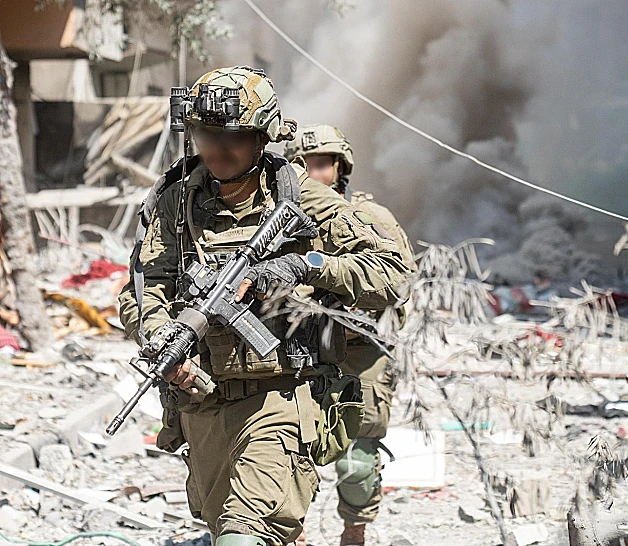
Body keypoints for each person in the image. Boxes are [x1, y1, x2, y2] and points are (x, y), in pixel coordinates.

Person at [118, 67, 409, 546]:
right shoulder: (178, 200)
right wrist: (161, 340)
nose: (216, 150)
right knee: (224, 527)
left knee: (245, 534)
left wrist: (303, 265)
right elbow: (145, 286)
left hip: (282, 397)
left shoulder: (301, 197)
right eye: (204, 136)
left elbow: (390, 271)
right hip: (205, 401)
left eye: (231, 138)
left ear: (261, 138)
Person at [284, 124, 415, 546]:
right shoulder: (280, 225)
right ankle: (294, 533)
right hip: (304, 351)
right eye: (302, 166)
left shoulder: (370, 219)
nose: (311, 173)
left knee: (357, 463)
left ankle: (354, 532)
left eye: (319, 164)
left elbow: (401, 287)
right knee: (286, 452)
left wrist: (363, 300)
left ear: (340, 168)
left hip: (361, 354)